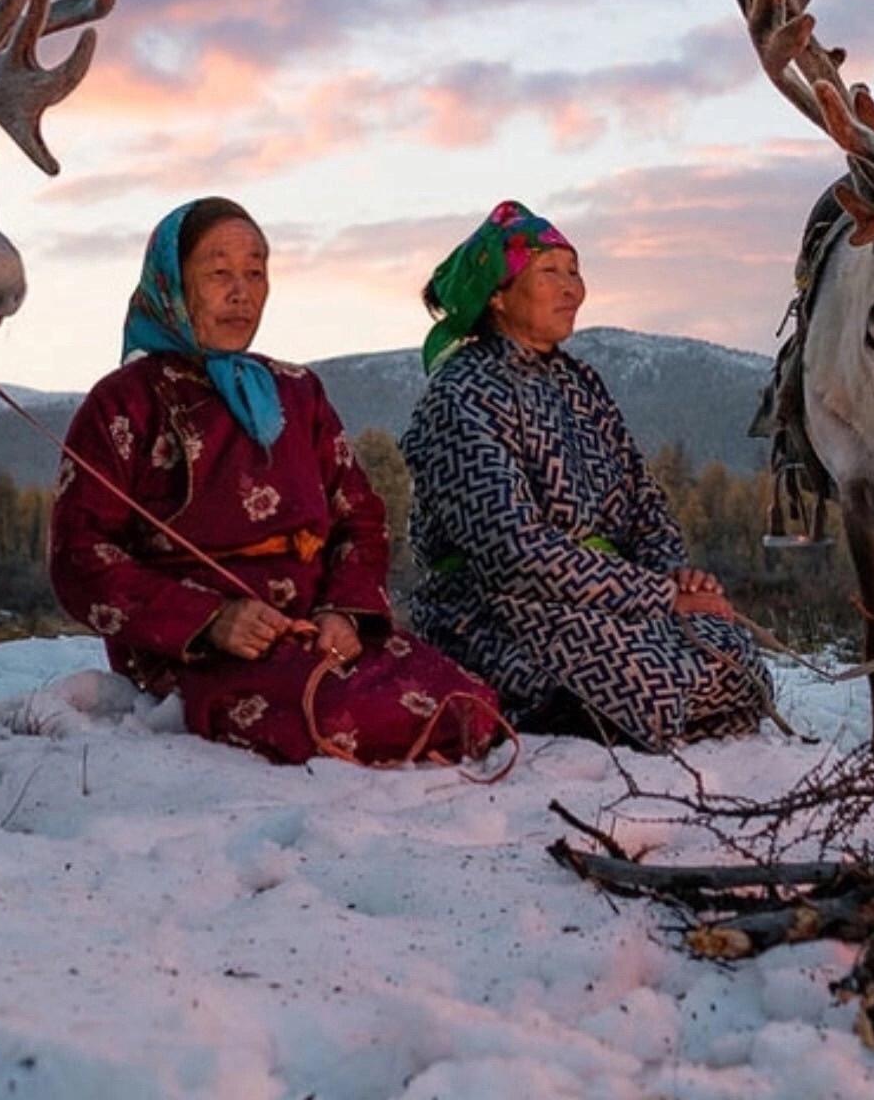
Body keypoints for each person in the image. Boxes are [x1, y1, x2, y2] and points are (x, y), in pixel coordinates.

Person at [50, 197, 500, 766]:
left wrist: (343, 612)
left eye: (255, 272)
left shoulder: (297, 391)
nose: (241, 292)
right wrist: (211, 621)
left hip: (318, 629)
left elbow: (358, 516)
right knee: (340, 718)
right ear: (170, 283)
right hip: (197, 649)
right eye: (218, 273)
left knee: (470, 701)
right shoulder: (123, 403)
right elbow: (79, 557)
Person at [400, 201, 770, 750]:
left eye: (575, 271)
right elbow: (514, 554)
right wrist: (659, 596)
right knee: (654, 684)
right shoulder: (461, 396)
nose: (572, 288)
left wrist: (676, 577)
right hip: (497, 605)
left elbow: (644, 502)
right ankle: (551, 709)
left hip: (605, 595)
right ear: (498, 296)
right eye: (550, 272)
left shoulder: (581, 384)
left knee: (733, 657)